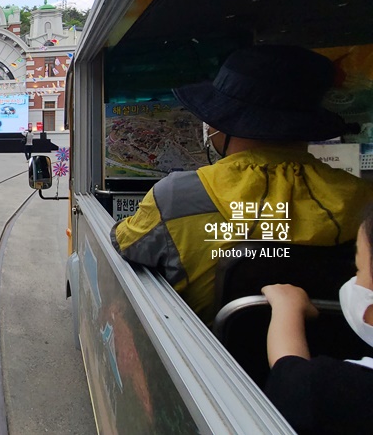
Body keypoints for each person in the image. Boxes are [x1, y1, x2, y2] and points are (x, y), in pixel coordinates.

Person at [112, 45, 373, 321]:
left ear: (221, 123)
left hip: (206, 355)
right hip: (330, 357)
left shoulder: (177, 195)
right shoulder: (362, 198)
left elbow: (126, 241)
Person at [261, 202, 373, 434]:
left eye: (358, 269)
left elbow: (293, 379)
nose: (354, 281)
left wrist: (286, 307)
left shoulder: (342, 391)